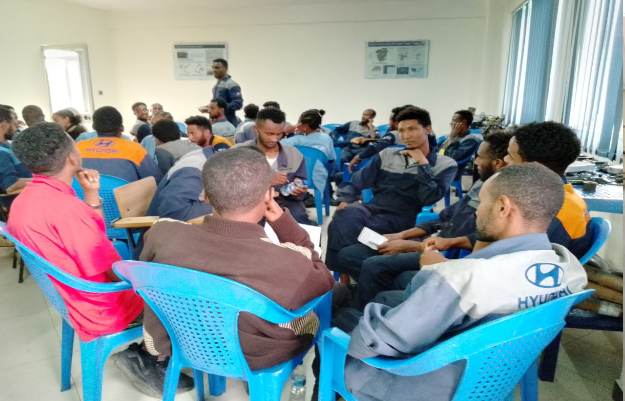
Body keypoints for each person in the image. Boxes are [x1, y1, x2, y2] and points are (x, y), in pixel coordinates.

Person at [326, 163, 588, 401]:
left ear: (502, 207)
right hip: (495, 378)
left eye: (481, 202)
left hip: (429, 384)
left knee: (339, 322)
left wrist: (433, 276)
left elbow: (381, 341)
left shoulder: (459, 279)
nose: (476, 212)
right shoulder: (571, 271)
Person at [114, 147, 334, 396]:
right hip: (257, 355)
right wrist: (283, 222)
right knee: (334, 296)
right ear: (268, 195)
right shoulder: (286, 260)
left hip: (184, 341)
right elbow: (323, 278)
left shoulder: (161, 233)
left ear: (205, 196)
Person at [335, 131, 511, 309]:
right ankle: (380, 296)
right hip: (431, 241)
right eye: (402, 131)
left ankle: (366, 309)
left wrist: (414, 246)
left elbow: (471, 241)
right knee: (348, 255)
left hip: (441, 251)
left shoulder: (499, 201)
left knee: (373, 266)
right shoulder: (482, 184)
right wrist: (401, 236)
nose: (476, 162)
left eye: (479, 157)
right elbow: (443, 218)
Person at [8, 123, 144, 343]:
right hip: (101, 306)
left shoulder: (26, 199)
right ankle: (149, 357)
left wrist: (91, 194)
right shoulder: (65, 208)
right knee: (178, 303)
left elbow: (93, 235)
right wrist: (143, 286)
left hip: (71, 297)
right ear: (72, 158)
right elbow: (109, 269)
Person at [326, 107, 457, 284]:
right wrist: (345, 199)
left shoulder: (445, 164)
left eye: (412, 129)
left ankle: (355, 274)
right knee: (345, 214)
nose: (406, 136)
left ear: (427, 130)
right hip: (374, 207)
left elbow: (429, 198)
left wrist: (423, 164)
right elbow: (358, 180)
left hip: (403, 215)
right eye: (402, 131)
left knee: (353, 230)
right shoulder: (387, 154)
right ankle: (345, 280)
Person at [430, 121, 594, 260]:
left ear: (533, 167)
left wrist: (445, 266)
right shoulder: (548, 196)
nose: (505, 160)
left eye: (511, 156)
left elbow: (517, 267)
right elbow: (501, 239)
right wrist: (453, 242)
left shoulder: (553, 211)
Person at [236, 108, 315, 225]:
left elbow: (301, 182)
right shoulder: (238, 153)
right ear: (256, 129)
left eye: (279, 134)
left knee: (300, 222)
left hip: (286, 203)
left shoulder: (294, 155)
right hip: (248, 205)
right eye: (269, 134)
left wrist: (299, 190)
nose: (274, 139)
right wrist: (266, 181)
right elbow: (229, 189)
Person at [147, 116, 230, 222]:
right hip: (166, 224)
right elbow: (173, 213)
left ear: (157, 139)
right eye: (189, 134)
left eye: (193, 133)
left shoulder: (203, 156)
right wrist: (224, 205)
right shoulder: (193, 166)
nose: (190, 138)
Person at [77, 106, 162, 183]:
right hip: (123, 195)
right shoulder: (134, 149)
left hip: (82, 194)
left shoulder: (79, 147)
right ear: (122, 128)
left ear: (93, 127)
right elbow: (156, 179)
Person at [281, 109, 336, 194]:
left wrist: (285, 131)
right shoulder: (327, 138)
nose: (296, 125)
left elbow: (276, 145)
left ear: (305, 126)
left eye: (298, 123)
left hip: (296, 180)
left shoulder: (296, 140)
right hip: (320, 179)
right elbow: (331, 160)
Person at [438, 110, 481, 180]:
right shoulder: (452, 136)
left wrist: (452, 139)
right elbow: (438, 151)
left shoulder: (470, 140)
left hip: (450, 170)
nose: (451, 123)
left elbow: (453, 157)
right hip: (440, 165)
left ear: (463, 123)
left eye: (454, 120)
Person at [0, 107, 32, 197]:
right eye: (14, 124)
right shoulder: (1, 152)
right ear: (5, 125)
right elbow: (11, 184)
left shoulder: (9, 146)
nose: (16, 127)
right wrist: (45, 180)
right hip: (19, 199)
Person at [208, 58, 242, 126]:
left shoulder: (231, 84)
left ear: (225, 68)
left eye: (217, 67)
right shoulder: (216, 85)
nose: (214, 70)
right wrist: (209, 107)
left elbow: (238, 104)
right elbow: (217, 103)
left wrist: (220, 108)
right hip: (217, 122)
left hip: (228, 122)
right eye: (213, 67)